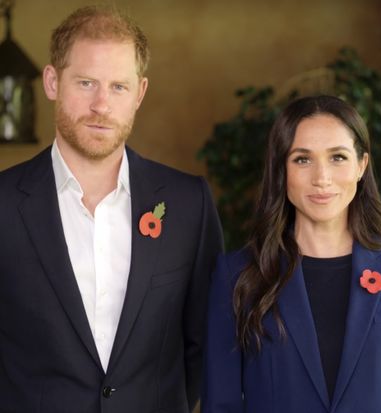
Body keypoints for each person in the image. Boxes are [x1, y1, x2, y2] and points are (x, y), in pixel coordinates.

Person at [0, 5, 223, 413]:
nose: (102, 105)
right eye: (86, 83)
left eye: (118, 87)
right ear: (52, 82)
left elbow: (205, 343)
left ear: (139, 92)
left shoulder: (189, 203)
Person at [202, 95, 381, 413]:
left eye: (338, 157)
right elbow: (221, 404)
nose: (322, 178)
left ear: (361, 166)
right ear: (281, 169)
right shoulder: (237, 275)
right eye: (302, 159)